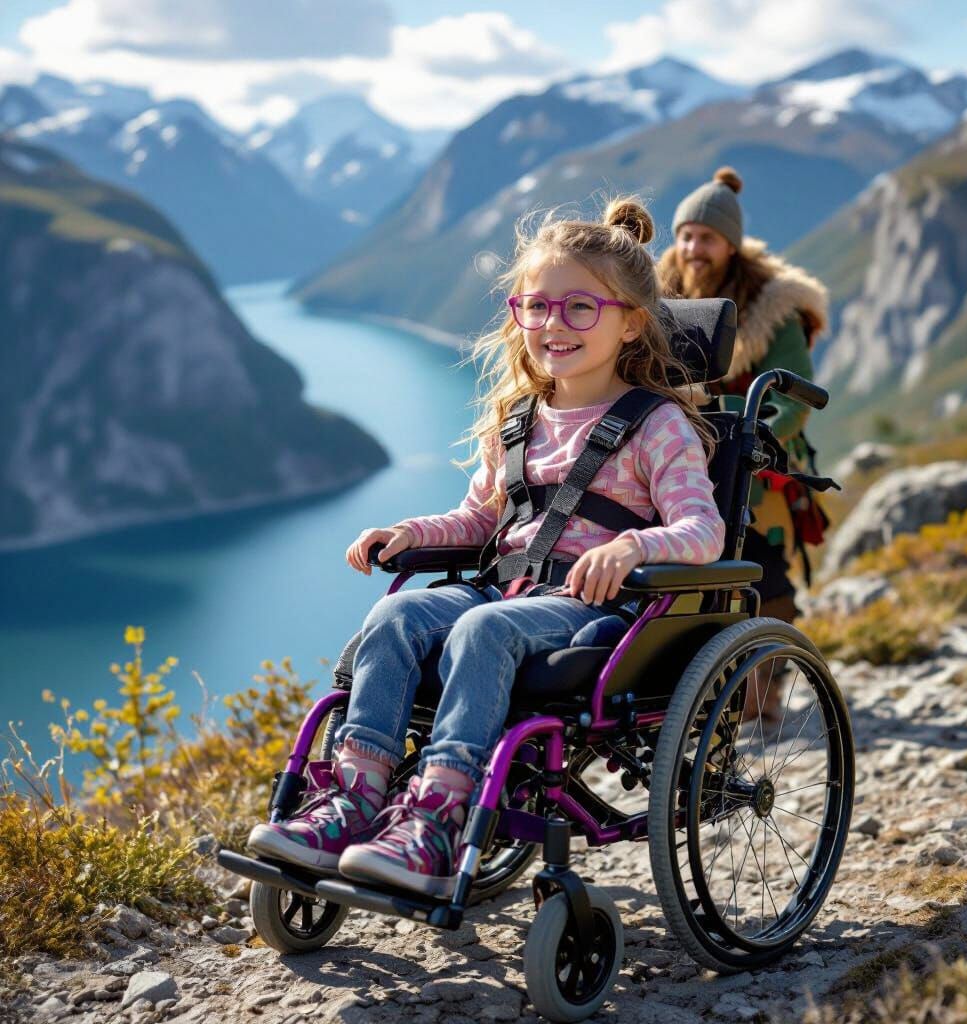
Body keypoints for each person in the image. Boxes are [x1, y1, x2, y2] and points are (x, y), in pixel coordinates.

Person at [247, 198, 726, 896]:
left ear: (631, 323)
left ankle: (438, 816)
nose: (553, 325)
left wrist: (632, 547)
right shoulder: (520, 420)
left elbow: (703, 531)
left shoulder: (659, 427)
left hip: (596, 611)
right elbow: (479, 520)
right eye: (536, 306)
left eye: (579, 309)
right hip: (508, 592)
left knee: (482, 625)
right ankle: (353, 799)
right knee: (396, 617)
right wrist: (412, 534)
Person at [658, 168, 829, 627]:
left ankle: (763, 689)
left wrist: (727, 422)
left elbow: (794, 401)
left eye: (707, 238)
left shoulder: (773, 309)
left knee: (759, 572)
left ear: (731, 245)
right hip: (670, 454)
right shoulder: (657, 297)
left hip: (755, 464)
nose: (694, 250)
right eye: (687, 236)